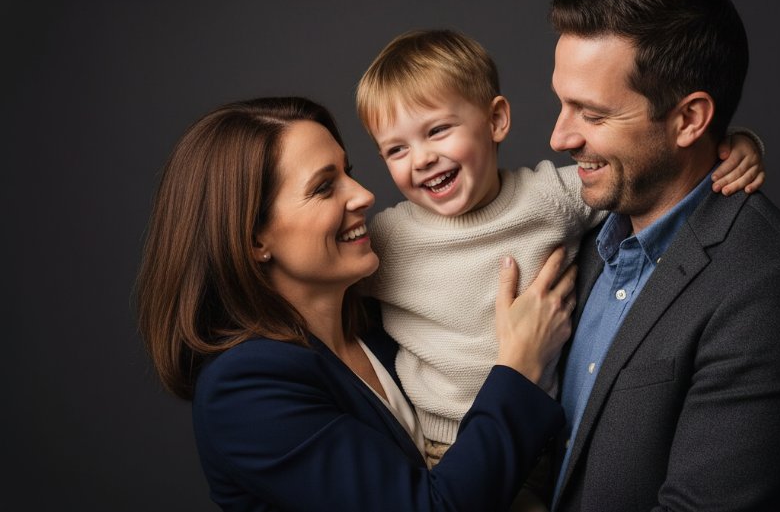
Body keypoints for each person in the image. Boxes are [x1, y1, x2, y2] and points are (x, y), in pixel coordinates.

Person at [135, 97, 578, 511]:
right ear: (254, 241)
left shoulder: (381, 320)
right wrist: (520, 365)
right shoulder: (242, 392)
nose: (363, 195)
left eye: (348, 171)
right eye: (325, 187)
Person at [354, 29, 766, 472]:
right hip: (443, 453)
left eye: (437, 131)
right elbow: (314, 286)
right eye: (396, 149)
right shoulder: (389, 239)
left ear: (496, 120)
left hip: (544, 447)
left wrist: (738, 145)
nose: (421, 159)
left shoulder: (548, 196)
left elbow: (650, 172)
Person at [547, 0, 780, 511]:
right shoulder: (580, 232)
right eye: (562, 103)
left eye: (591, 113)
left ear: (689, 119)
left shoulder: (775, 288)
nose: (559, 136)